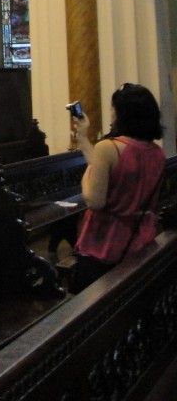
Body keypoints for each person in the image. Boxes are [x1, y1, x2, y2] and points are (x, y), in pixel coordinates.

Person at [69, 83, 166, 293]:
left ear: (123, 114)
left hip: (106, 244)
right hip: (141, 240)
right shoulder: (157, 152)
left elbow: (95, 201)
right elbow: (104, 168)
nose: (111, 114)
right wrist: (83, 137)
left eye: (113, 109)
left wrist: (86, 178)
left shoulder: (109, 147)